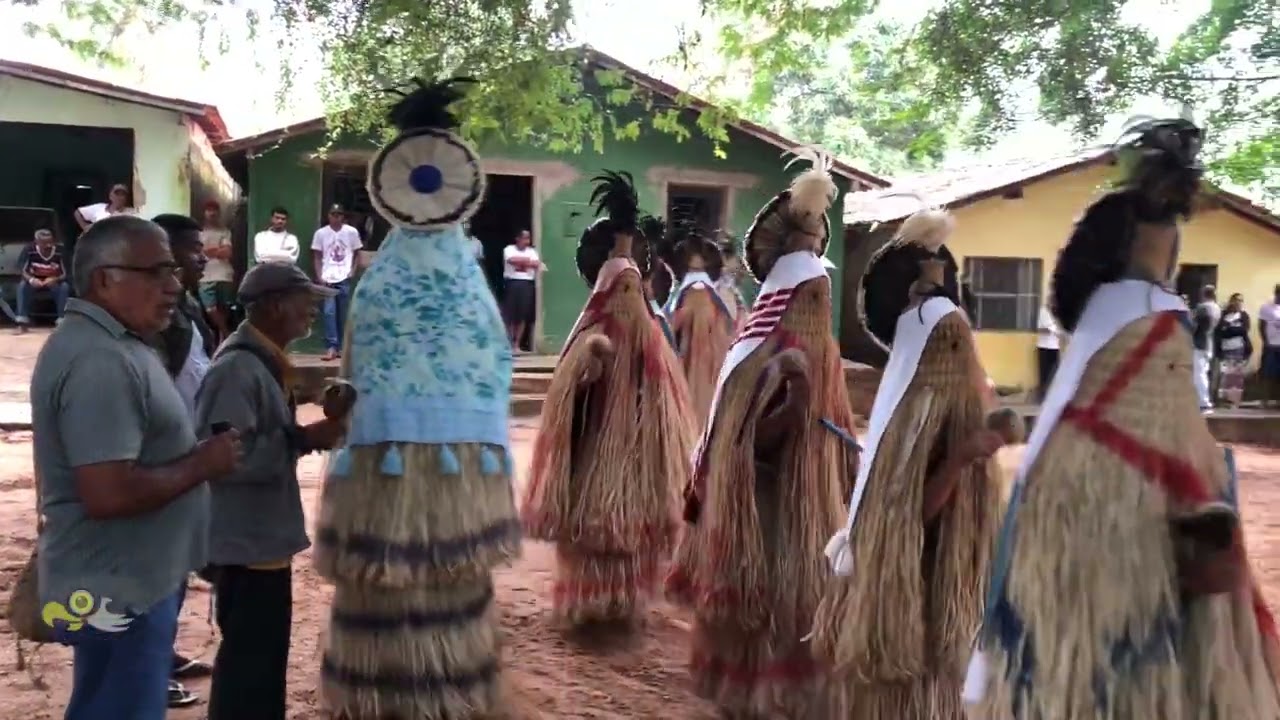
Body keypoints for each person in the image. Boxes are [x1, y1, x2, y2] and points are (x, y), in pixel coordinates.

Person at [964, 118, 1280, 719]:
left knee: (1083, 649)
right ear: (1132, 243)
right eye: (1162, 232)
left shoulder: (1122, 321)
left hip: (1103, 497)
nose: (1172, 246)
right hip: (1135, 504)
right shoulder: (1149, 317)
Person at [312, 77, 521, 720]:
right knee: (449, 573)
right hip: (457, 478)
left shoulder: (379, 285)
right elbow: (494, 368)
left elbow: (355, 372)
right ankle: (447, 689)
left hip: (386, 477)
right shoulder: (471, 288)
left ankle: (382, 693)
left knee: (386, 576)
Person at [664, 149, 859, 718]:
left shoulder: (817, 356)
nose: (822, 305)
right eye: (813, 298)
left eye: (824, 296)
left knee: (804, 593)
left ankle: (789, 687)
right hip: (765, 513)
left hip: (811, 508)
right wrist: (793, 405)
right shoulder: (761, 360)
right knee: (770, 600)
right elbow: (744, 445)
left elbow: (838, 422)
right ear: (791, 299)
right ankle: (753, 690)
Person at [30, 214, 240, 720]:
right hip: (119, 586)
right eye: (156, 272)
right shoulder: (101, 360)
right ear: (105, 279)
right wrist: (202, 464)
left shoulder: (117, 343)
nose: (173, 285)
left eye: (173, 271)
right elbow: (109, 493)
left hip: (125, 579)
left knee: (107, 702)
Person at [814, 208, 1007, 719]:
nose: (957, 355)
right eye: (946, 345)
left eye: (961, 344)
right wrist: (961, 460)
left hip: (949, 599)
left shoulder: (958, 409)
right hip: (905, 607)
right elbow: (906, 514)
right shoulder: (910, 419)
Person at [523, 170, 694, 629]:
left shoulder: (653, 340)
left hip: (637, 448)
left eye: (634, 290)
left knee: (630, 522)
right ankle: (588, 604)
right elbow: (566, 391)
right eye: (621, 289)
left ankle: (625, 604)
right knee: (596, 522)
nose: (628, 298)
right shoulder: (589, 333)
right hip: (596, 442)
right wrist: (589, 367)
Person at [198, 262, 347, 720]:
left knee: (261, 661)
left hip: (259, 539)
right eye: (306, 304)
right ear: (277, 305)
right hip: (245, 544)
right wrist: (304, 439)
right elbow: (226, 457)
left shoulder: (261, 359)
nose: (312, 314)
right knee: (250, 664)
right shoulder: (238, 367)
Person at [147, 213, 220, 708]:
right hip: (163, 462)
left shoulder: (189, 307)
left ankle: (162, 653)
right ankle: (150, 669)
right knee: (157, 571)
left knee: (175, 569)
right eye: (191, 248)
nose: (202, 255)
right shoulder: (155, 318)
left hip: (190, 456)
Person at [661, 221, 736, 427]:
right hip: (715, 382)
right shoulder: (720, 300)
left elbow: (667, 333)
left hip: (688, 383)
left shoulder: (687, 297)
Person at [311, 204, 363, 361]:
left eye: (339, 214)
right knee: (328, 312)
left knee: (343, 314)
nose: (336, 217)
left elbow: (357, 253)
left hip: (344, 277)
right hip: (327, 278)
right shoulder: (321, 233)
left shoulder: (351, 232)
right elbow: (317, 256)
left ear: (343, 216)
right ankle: (331, 347)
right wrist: (320, 276)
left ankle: (342, 348)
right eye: (333, 214)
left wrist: (353, 271)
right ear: (328, 215)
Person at [15, 228, 70, 333]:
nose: (48, 245)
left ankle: (61, 322)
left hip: (54, 281)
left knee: (64, 287)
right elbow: (21, 270)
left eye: (50, 242)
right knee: (23, 286)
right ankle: (22, 323)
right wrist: (31, 279)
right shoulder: (29, 249)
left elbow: (66, 273)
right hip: (34, 280)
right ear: (37, 242)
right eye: (44, 243)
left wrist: (55, 279)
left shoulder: (60, 251)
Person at [199, 200, 235, 341]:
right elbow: (198, 253)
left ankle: (221, 339)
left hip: (223, 274)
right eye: (209, 210)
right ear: (204, 213)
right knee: (210, 309)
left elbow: (227, 253)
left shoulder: (224, 231)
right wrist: (217, 250)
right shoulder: (198, 232)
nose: (212, 213)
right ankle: (225, 334)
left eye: (215, 210)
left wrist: (207, 251)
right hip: (205, 276)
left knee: (224, 309)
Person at [501, 229, 543, 350]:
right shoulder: (509, 249)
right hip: (512, 283)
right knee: (510, 315)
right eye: (524, 238)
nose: (527, 241)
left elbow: (536, 264)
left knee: (522, 315)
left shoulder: (532, 251)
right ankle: (508, 343)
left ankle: (516, 344)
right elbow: (511, 260)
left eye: (528, 238)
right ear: (517, 239)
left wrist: (522, 262)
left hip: (527, 283)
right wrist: (528, 262)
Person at [1215, 292, 1252, 406]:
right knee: (1225, 374)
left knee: (1236, 376)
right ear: (1231, 301)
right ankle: (1223, 399)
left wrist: (1229, 329)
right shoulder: (1223, 315)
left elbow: (1243, 330)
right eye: (1236, 300)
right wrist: (1233, 330)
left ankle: (1234, 400)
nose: (1238, 303)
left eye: (1241, 301)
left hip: (1239, 349)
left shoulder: (1243, 316)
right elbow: (1220, 332)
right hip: (1225, 349)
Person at [1192, 284, 1221, 412]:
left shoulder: (1203, 308)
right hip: (1208, 344)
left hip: (1199, 343)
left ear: (1204, 294)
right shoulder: (1217, 307)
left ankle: (1204, 402)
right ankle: (1202, 401)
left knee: (1198, 374)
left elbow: (1194, 325)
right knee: (1201, 372)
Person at [1036, 302, 1065, 401]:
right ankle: (1042, 396)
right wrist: (1053, 330)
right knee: (1044, 373)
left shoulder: (1057, 313)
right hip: (1043, 347)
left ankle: (1052, 395)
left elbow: (1059, 329)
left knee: (1054, 372)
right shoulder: (1043, 312)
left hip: (1054, 347)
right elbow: (1041, 329)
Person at [1258, 285, 1280, 408]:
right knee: (1268, 374)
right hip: (1271, 346)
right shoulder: (1267, 307)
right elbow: (1261, 325)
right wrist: (1265, 341)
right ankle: (1264, 400)